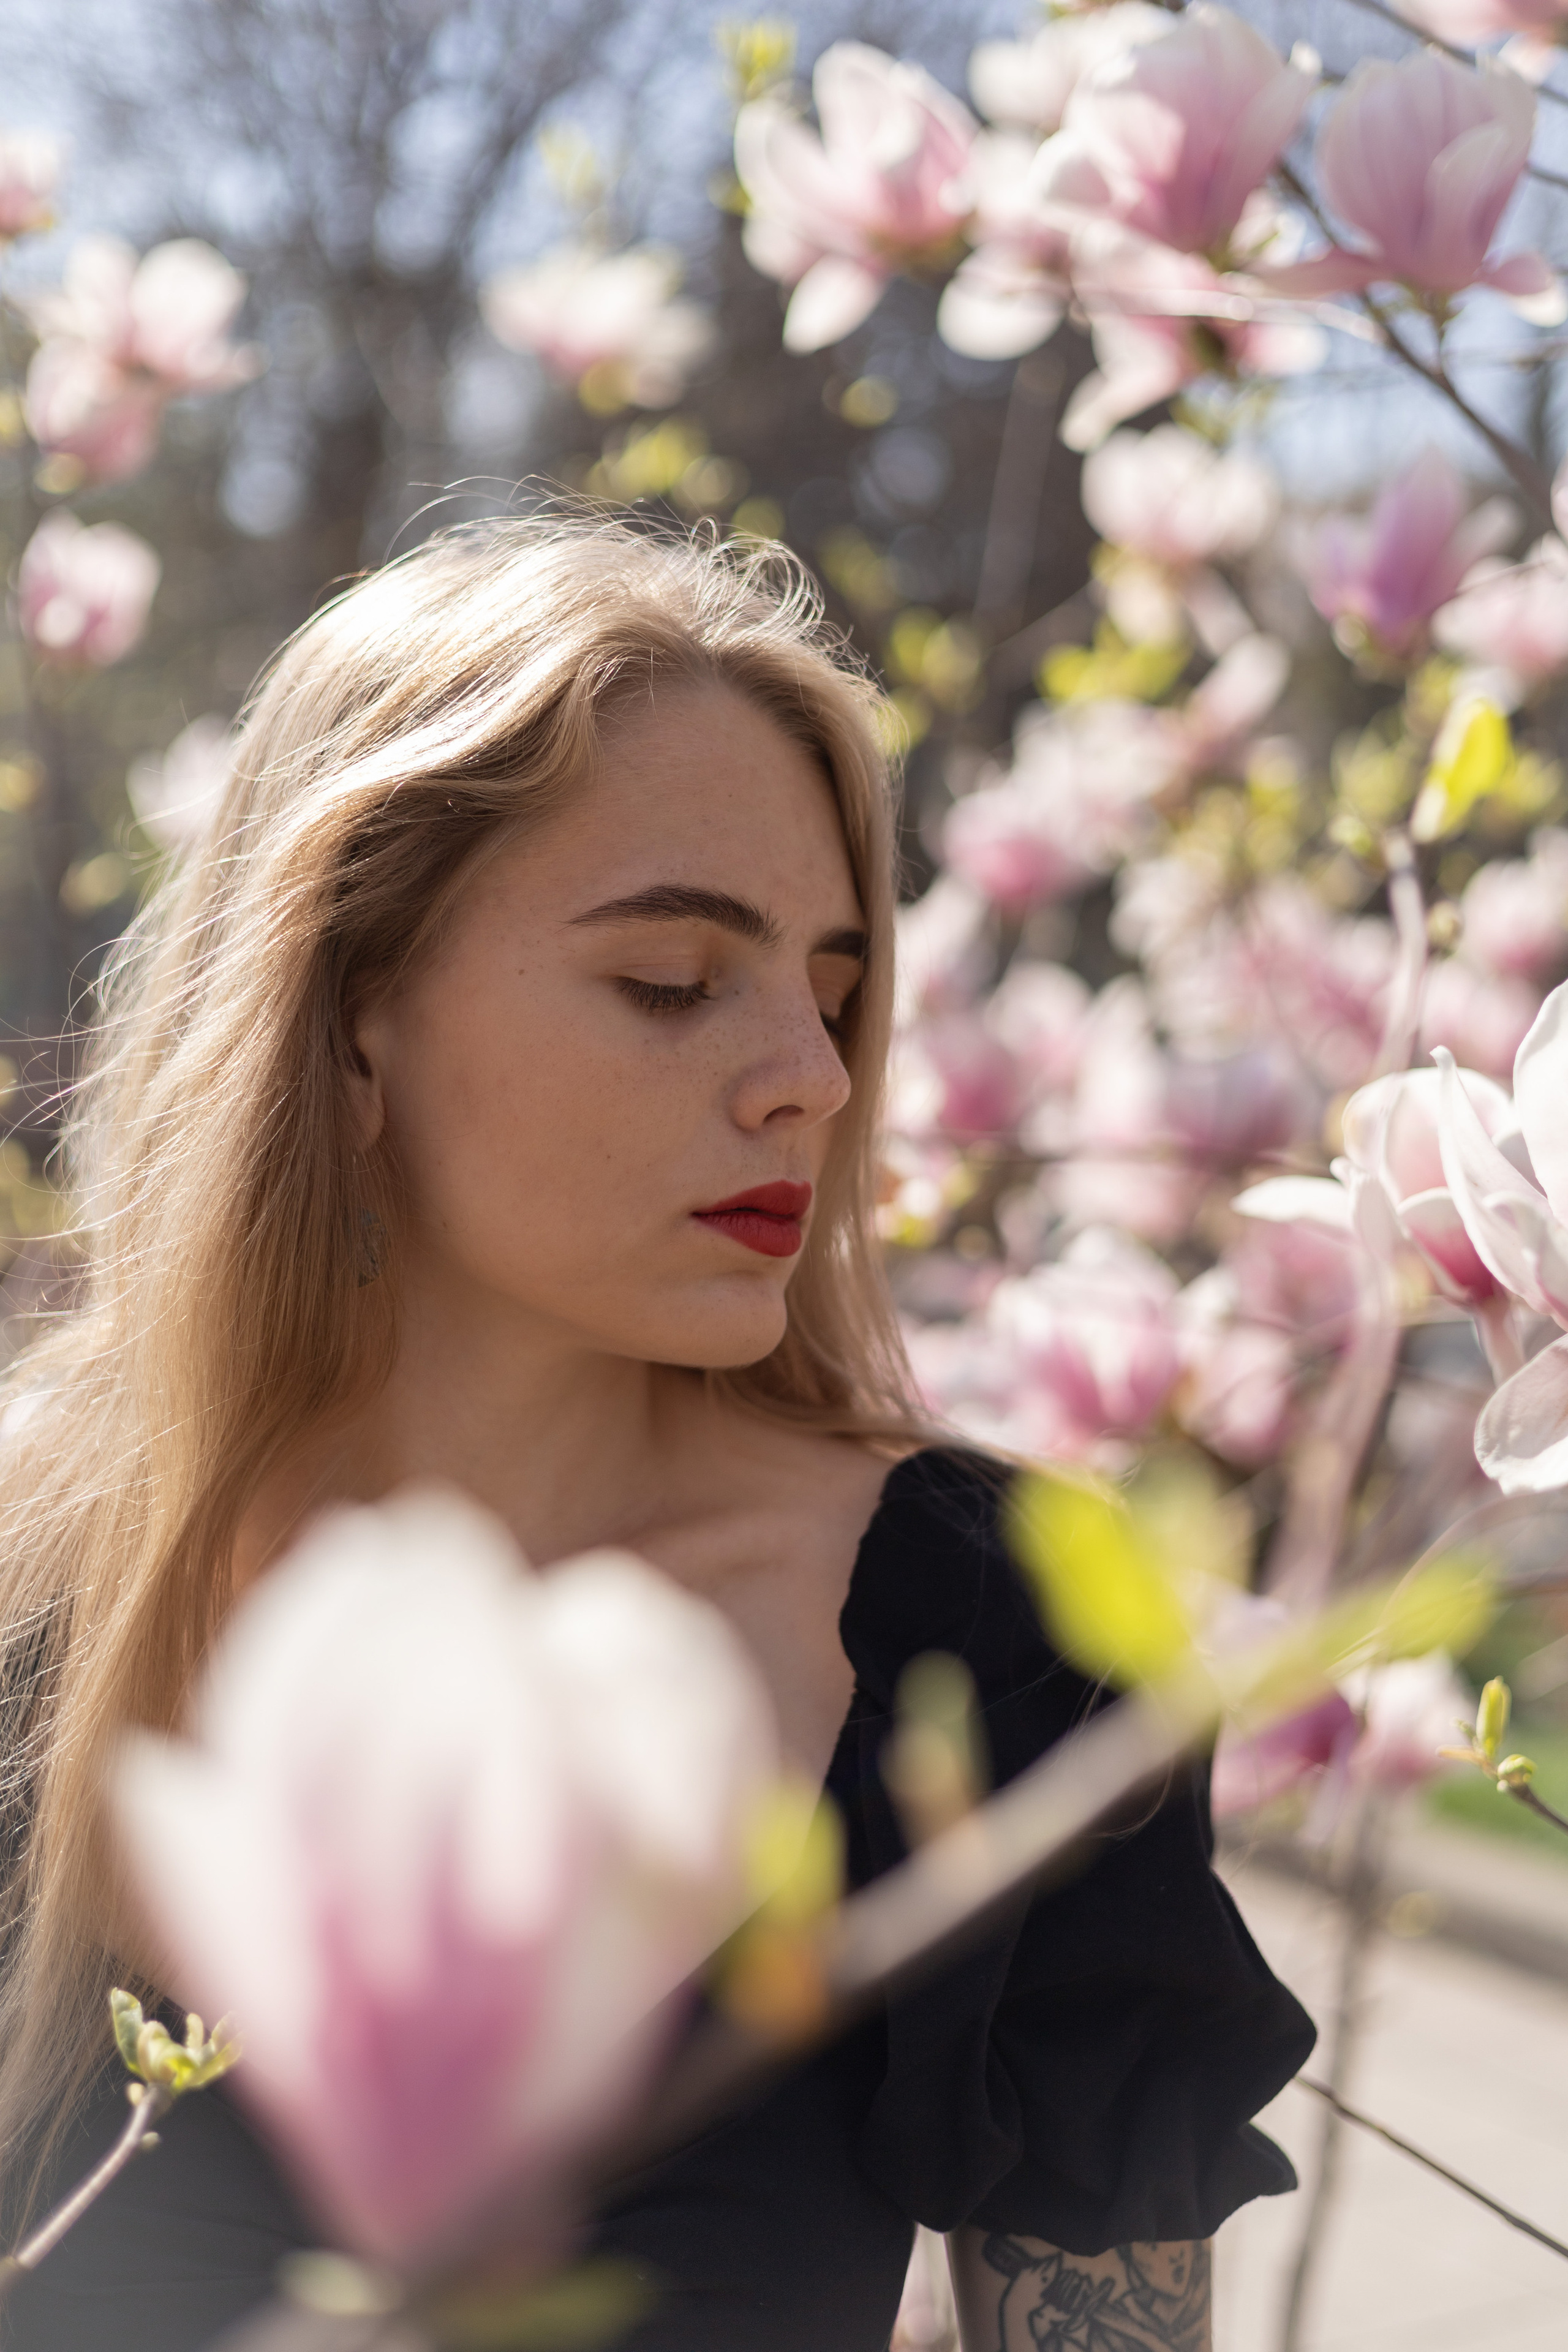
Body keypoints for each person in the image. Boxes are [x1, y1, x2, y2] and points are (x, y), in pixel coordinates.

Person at [0, 516, 1312, 2351]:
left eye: (839, 992)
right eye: (678, 982)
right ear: (351, 1011)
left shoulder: (1001, 1651)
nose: (818, 1076)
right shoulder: (35, 1588)